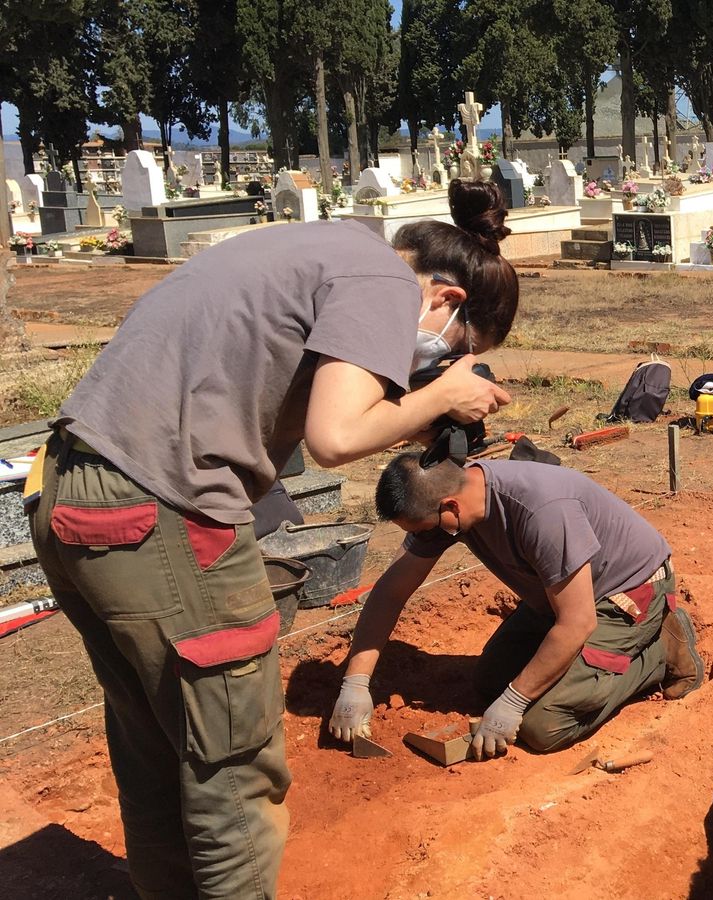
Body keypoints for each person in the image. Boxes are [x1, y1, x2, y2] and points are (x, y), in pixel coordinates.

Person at [28, 179, 517, 898]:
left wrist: (421, 411)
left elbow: (313, 401)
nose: (436, 364)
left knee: (160, 755)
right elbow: (334, 437)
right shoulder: (383, 280)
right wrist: (445, 395)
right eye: (456, 352)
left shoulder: (324, 249)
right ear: (447, 302)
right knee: (234, 764)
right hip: (161, 508)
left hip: (70, 490)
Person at [328, 456, 706, 759]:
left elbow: (577, 622)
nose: (421, 538)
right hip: (556, 594)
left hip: (625, 594)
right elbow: (390, 591)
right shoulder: (450, 510)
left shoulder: (542, 512)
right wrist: (355, 683)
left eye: (424, 528)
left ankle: (659, 651)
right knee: (490, 680)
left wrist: (514, 703)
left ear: (450, 506)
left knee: (543, 726)